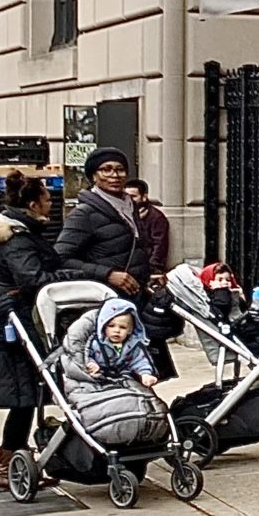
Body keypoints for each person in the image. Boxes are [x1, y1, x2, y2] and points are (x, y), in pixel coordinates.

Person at [0, 171, 74, 490]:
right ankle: (7, 463)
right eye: (47, 198)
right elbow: (33, 278)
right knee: (23, 395)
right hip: (17, 321)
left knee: (30, 393)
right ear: (32, 203)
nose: (50, 203)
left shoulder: (21, 231)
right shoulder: (16, 238)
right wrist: (73, 277)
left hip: (25, 317)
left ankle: (21, 457)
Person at [58, 149, 175, 379]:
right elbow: (61, 258)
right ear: (94, 176)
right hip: (107, 307)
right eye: (106, 169)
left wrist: (151, 273)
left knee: (144, 369)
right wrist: (108, 274)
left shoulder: (130, 207)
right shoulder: (84, 213)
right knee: (115, 372)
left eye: (120, 169)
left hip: (136, 300)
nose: (114, 175)